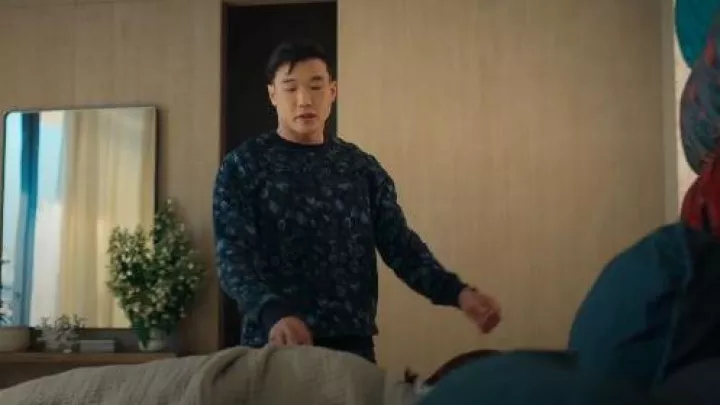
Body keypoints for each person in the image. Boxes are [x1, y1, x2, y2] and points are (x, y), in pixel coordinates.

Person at [213, 38, 502, 363]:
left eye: (316, 86)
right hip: (274, 343)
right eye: (291, 88)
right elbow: (232, 257)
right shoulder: (243, 166)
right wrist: (273, 313)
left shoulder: (361, 169)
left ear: (332, 91)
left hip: (351, 349)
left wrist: (459, 294)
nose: (304, 99)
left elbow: (402, 248)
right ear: (272, 95)